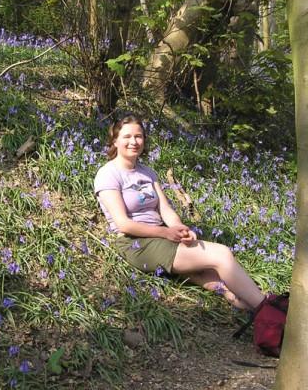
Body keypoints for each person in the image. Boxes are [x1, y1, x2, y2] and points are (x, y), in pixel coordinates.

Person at [94, 115, 265, 311]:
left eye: (139, 136)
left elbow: (165, 209)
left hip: (159, 235)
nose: (134, 142)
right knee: (222, 254)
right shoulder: (108, 174)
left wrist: (179, 229)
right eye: (127, 136)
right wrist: (166, 233)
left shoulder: (147, 172)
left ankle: (247, 305)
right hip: (134, 242)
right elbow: (123, 224)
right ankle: (266, 306)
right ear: (115, 140)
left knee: (208, 270)